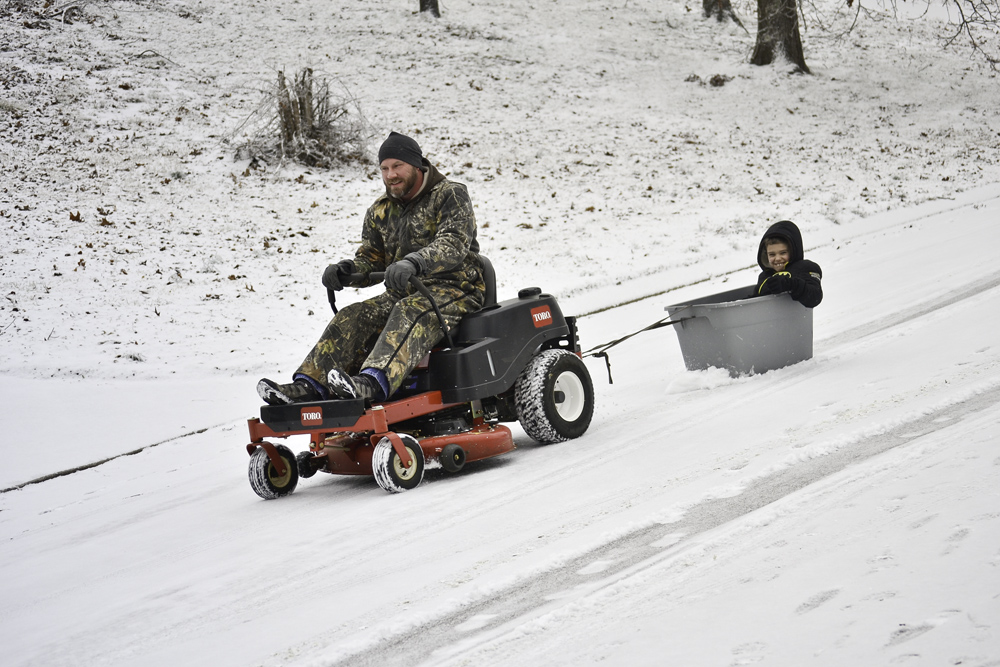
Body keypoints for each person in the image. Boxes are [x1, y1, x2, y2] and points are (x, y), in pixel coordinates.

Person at [257, 132, 486, 405]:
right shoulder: (380, 209)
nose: (391, 175)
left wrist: (415, 261)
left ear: (416, 165)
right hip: (403, 291)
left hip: (456, 288)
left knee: (409, 310)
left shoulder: (450, 195)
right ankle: (308, 386)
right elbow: (371, 258)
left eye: (397, 166)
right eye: (384, 169)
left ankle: (371, 383)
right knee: (353, 315)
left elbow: (453, 244)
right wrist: (346, 270)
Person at [754, 220, 823, 308]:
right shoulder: (764, 277)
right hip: (770, 321)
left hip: (796, 320)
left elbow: (814, 297)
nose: (777, 258)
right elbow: (755, 301)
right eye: (772, 254)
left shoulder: (805, 268)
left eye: (783, 253)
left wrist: (791, 284)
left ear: (793, 251)